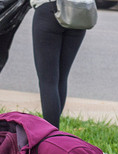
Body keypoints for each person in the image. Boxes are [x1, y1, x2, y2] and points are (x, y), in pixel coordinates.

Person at [31, 0, 87, 128]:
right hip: (78, 13)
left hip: (49, 11)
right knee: (61, 78)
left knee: (48, 81)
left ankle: (50, 137)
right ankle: (55, 134)